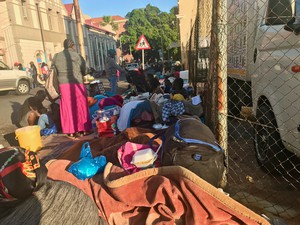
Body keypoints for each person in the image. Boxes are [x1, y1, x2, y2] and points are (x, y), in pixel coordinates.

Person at [51, 39, 91, 137]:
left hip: (63, 85)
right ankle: (83, 129)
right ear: (72, 46)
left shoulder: (56, 56)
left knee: (67, 107)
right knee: (80, 106)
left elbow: (53, 70)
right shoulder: (77, 56)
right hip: (76, 83)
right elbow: (85, 70)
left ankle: (71, 130)